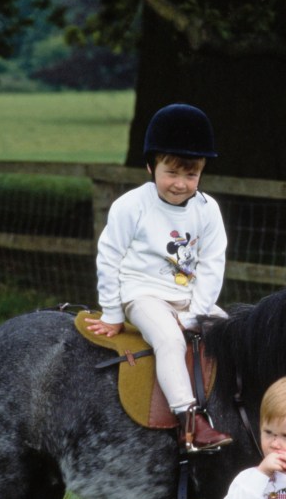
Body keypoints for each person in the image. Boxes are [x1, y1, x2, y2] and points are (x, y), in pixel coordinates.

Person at [85, 103, 232, 453]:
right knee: (169, 340)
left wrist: (197, 312)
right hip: (143, 294)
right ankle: (189, 419)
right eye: (171, 173)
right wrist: (112, 313)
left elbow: (213, 263)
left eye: (192, 175)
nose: (181, 184)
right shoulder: (131, 206)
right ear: (152, 166)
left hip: (188, 296)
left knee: (233, 335)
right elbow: (109, 257)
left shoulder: (207, 210)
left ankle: (236, 409)